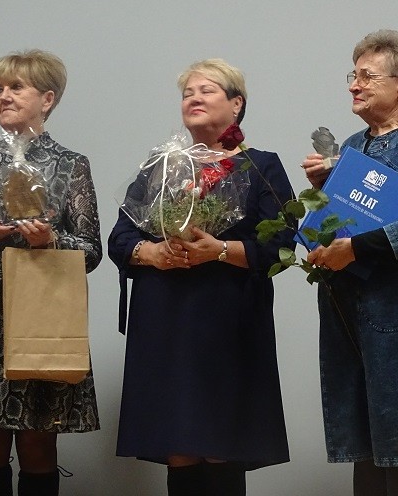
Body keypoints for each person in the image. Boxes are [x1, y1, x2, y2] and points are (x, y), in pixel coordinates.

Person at [108, 59, 294, 496]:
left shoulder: (260, 166)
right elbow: (120, 238)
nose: (194, 98)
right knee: (178, 444)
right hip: (164, 318)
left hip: (227, 320)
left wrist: (220, 250)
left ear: (236, 104)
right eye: (187, 93)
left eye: (206, 90)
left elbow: (281, 247)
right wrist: (153, 253)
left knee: (220, 443)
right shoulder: (161, 165)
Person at [302, 30, 398, 496]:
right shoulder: (353, 145)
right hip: (349, 307)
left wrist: (357, 248)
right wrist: (321, 208)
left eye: (367, 76)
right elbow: (344, 220)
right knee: (363, 442)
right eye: (353, 75)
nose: (354, 85)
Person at [0, 50, 101, 496]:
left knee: (37, 445)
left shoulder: (70, 164)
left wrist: (50, 240)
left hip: (39, 316)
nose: (4, 96)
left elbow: (92, 251)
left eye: (16, 87)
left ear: (47, 99)